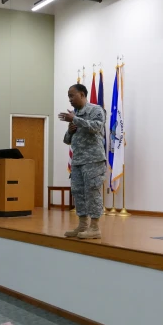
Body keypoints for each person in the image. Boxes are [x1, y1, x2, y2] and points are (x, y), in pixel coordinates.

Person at [60, 83, 107, 240]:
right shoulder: (76, 114)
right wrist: (70, 129)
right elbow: (67, 140)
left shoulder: (96, 110)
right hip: (78, 161)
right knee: (78, 192)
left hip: (93, 160)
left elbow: (96, 127)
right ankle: (82, 225)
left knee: (92, 192)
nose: (70, 99)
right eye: (69, 96)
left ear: (82, 94)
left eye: (72, 95)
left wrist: (76, 119)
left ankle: (94, 227)